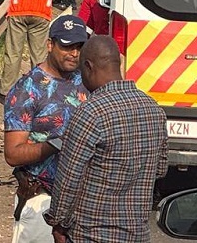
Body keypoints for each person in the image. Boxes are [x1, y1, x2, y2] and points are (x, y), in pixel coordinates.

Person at [45, 36, 168, 243]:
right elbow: (161, 168)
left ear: (88, 66)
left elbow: (68, 180)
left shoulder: (90, 112)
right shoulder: (153, 109)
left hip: (90, 234)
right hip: (136, 234)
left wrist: (58, 223)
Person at [4, 15, 89, 243]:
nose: (74, 53)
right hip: (41, 201)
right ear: (50, 44)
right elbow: (13, 154)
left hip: (83, 204)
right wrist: (56, 143)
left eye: (80, 47)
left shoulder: (87, 81)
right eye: (67, 46)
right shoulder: (27, 89)